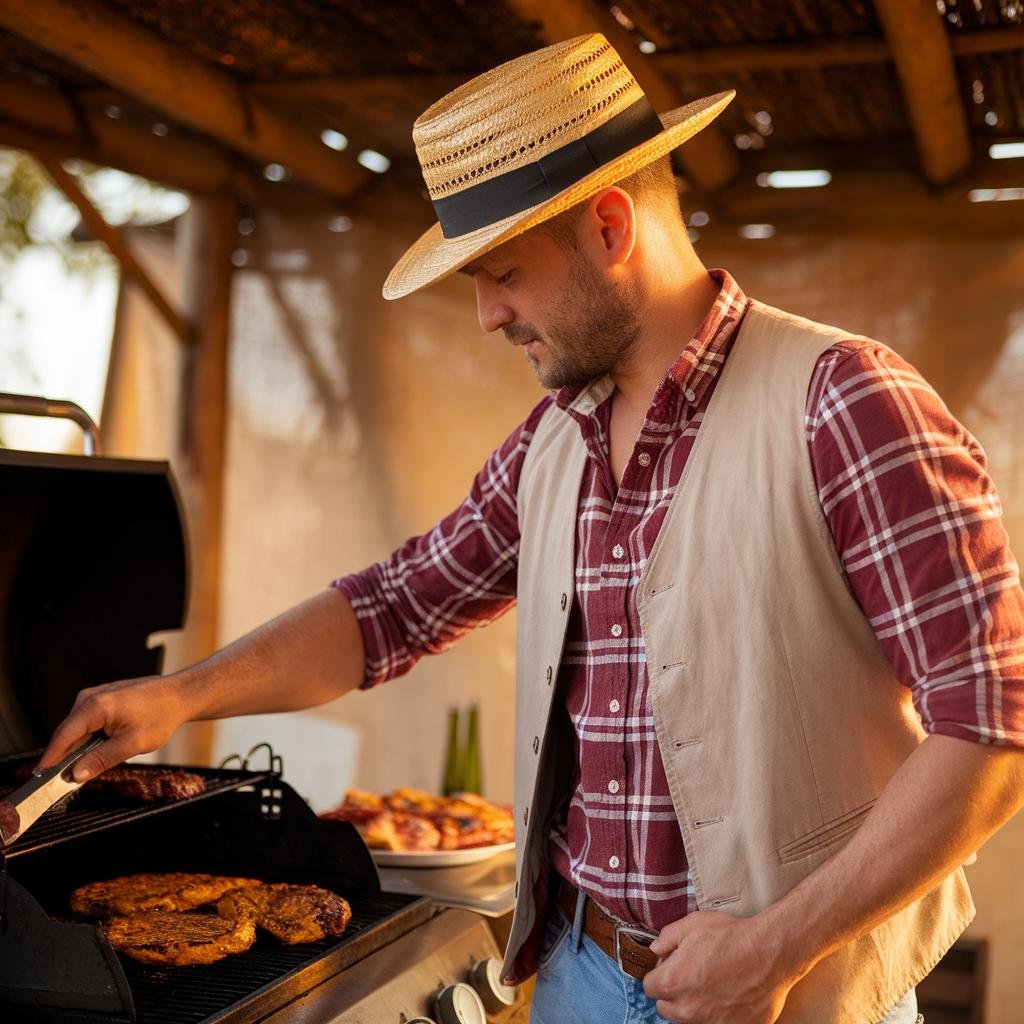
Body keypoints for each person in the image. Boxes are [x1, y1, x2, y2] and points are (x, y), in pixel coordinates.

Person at [41, 34, 1024, 1024]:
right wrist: (182, 693)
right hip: (579, 975)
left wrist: (777, 943)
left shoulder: (846, 401)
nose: (484, 314)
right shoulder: (550, 442)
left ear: (608, 226)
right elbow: (390, 607)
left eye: (503, 271)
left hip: (795, 989)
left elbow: (992, 729)